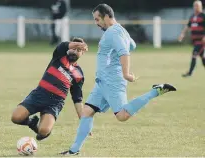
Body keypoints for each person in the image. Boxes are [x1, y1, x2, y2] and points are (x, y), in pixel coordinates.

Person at [60, 4, 177, 155]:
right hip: (102, 81)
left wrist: (126, 73)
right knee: (87, 112)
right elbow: (132, 45)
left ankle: (156, 91)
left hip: (112, 80)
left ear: (107, 16)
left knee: (122, 116)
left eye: (97, 19)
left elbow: (124, 51)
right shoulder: (119, 29)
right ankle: (73, 150)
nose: (96, 23)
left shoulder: (113, 33)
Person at [11, 38, 88, 141]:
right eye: (73, 48)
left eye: (78, 50)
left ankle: (41, 128)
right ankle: (31, 123)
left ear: (82, 53)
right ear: (69, 48)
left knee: (43, 131)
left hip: (55, 103)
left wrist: (84, 122)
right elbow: (64, 45)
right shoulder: (59, 55)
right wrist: (77, 45)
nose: (75, 51)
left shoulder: (79, 74)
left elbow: (77, 99)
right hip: (39, 94)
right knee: (15, 117)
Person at [178, 0, 205, 77]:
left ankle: (190, 73)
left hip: (201, 41)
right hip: (195, 41)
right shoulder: (192, 16)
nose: (196, 7)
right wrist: (182, 34)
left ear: (201, 7)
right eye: (195, 5)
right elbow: (188, 26)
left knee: (194, 54)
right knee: (202, 58)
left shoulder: (203, 16)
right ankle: (190, 73)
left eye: (198, 6)